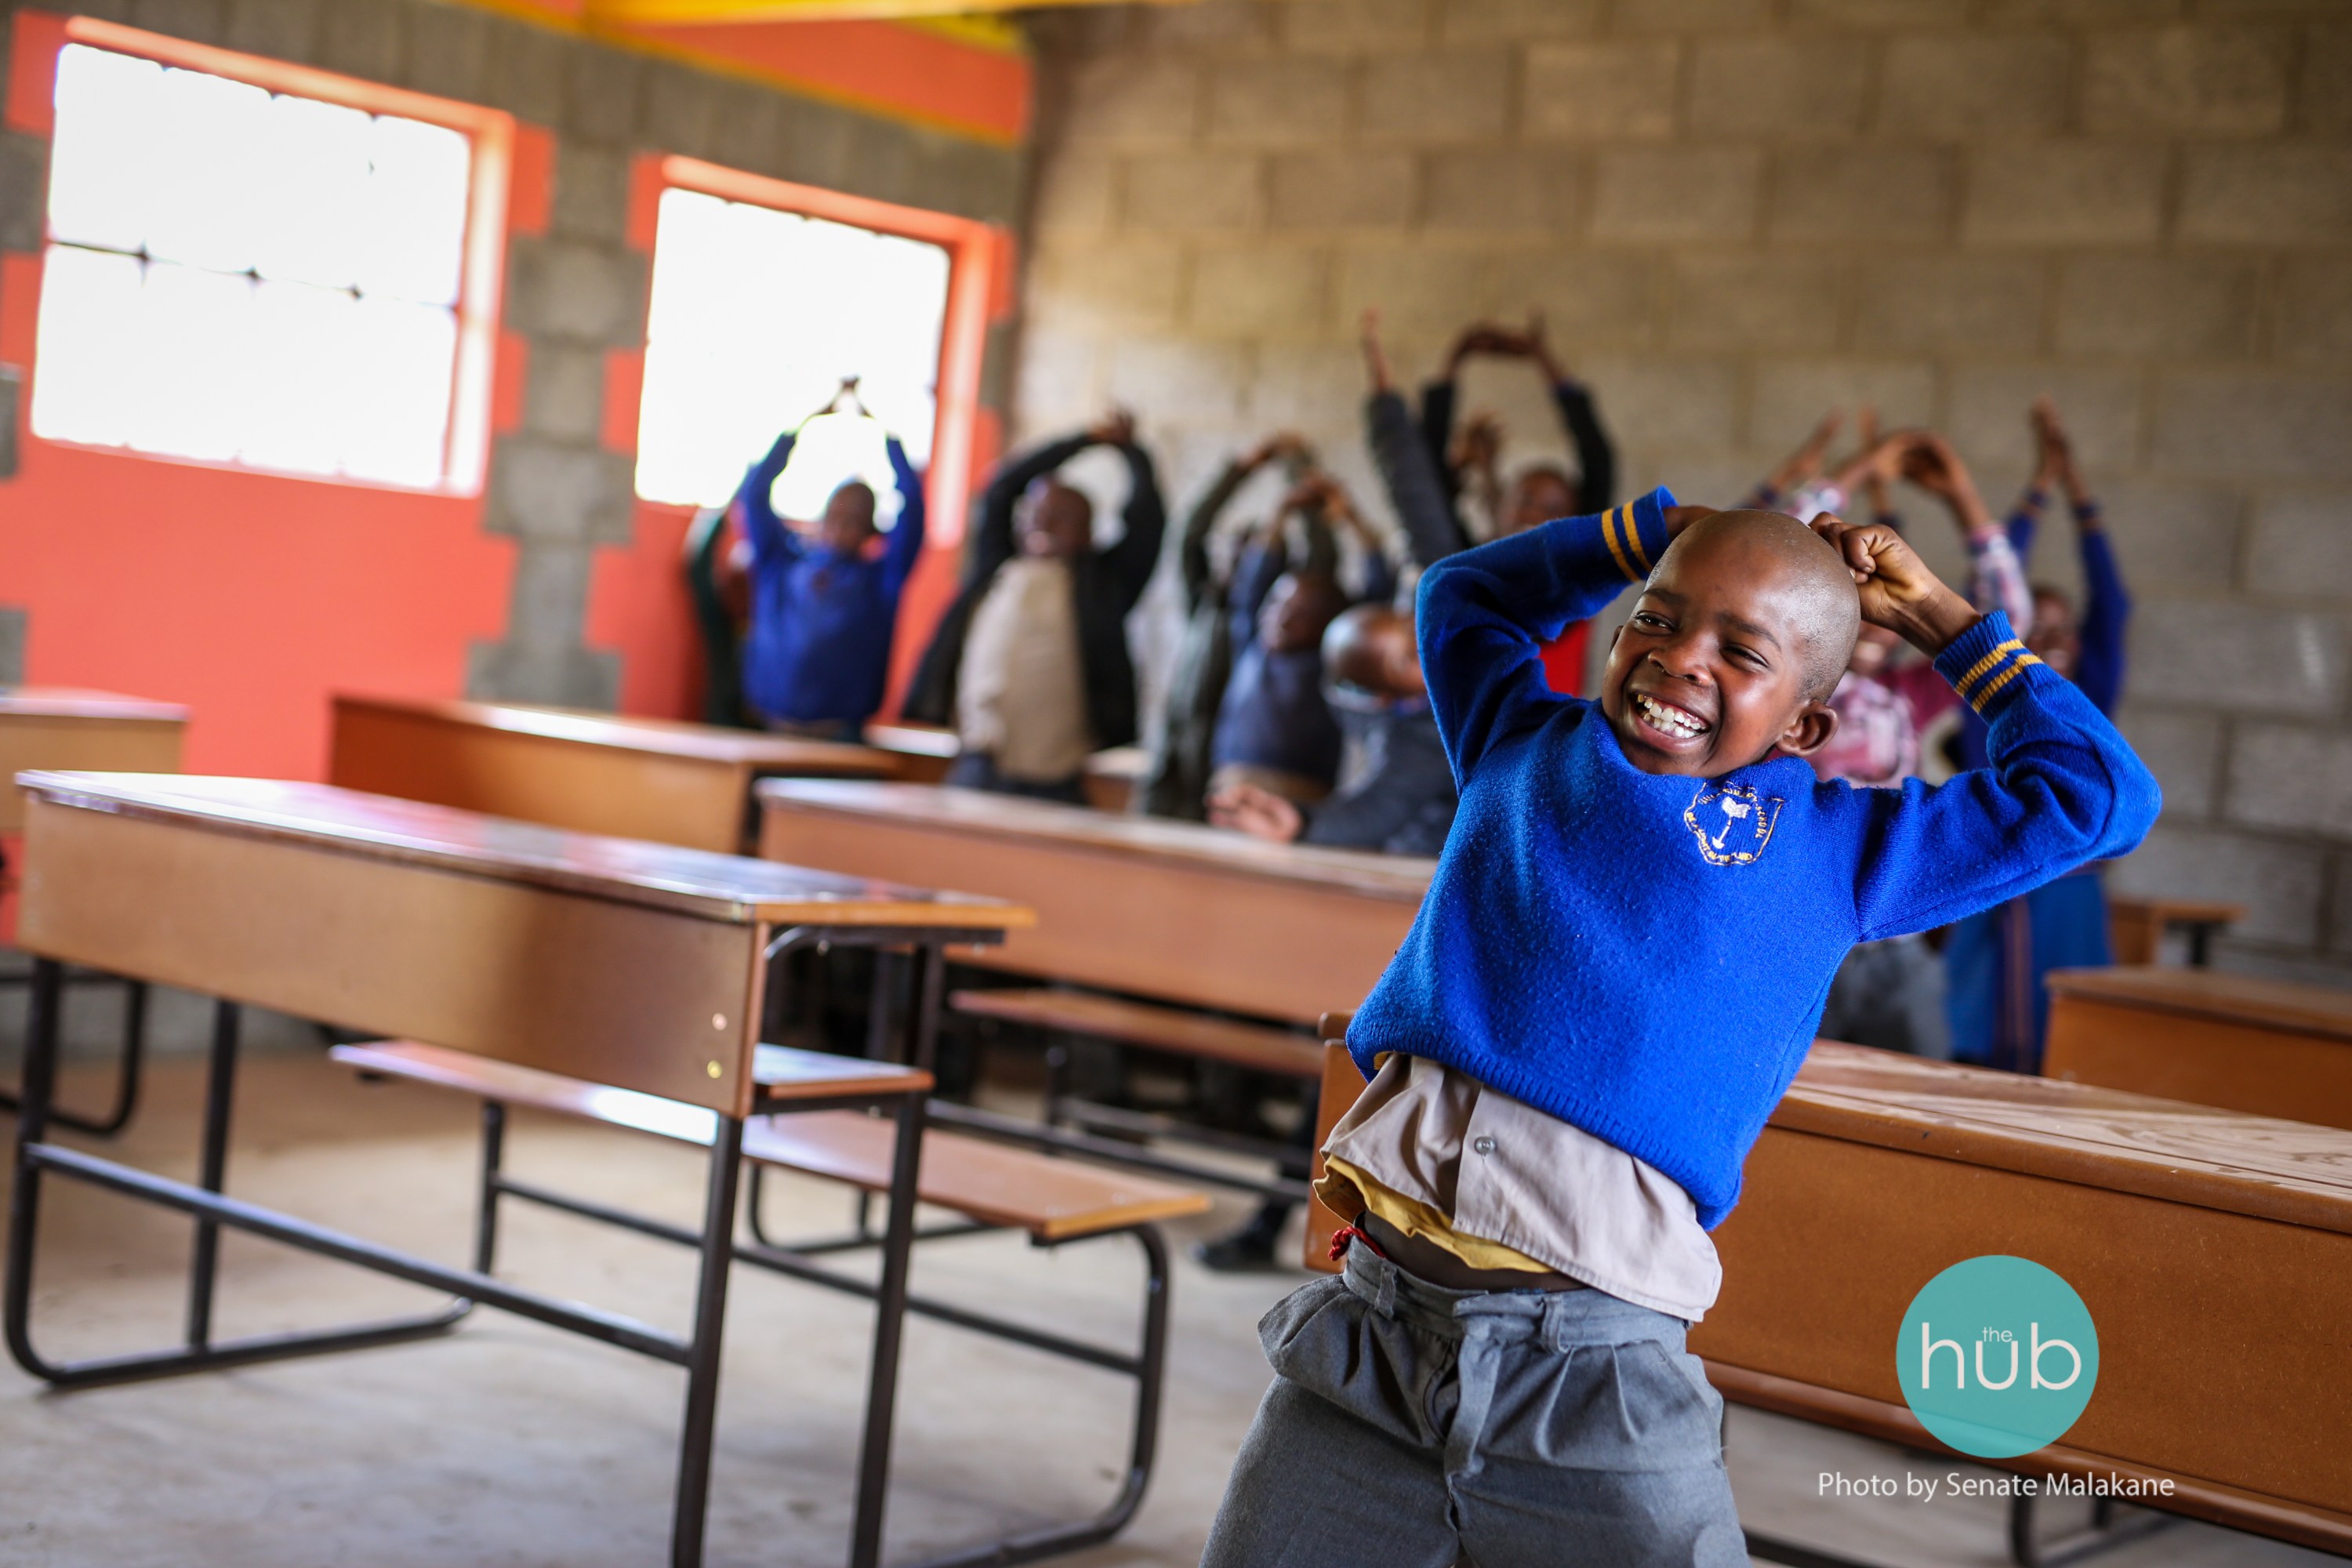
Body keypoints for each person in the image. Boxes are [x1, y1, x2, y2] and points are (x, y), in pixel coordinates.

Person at [1199, 490, 2158, 1567]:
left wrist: (1941, 616)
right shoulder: (1517, 741)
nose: (1681, 657)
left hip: (1594, 1378)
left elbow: (2099, 794)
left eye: (1742, 651)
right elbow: (1463, 595)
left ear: (1803, 726)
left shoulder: (1837, 850)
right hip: (1370, 1340)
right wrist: (1642, 533)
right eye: (1656, 618)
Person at [1938, 401, 2134, 1071]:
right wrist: (2036, 491)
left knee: (2071, 1052)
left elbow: (2114, 604)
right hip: (2001, 878)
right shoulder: (1989, 697)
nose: (2053, 638)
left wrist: (2079, 492)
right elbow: (1994, 595)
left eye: (2063, 629)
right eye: (2036, 627)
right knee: (1985, 1051)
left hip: (2074, 893)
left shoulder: (2090, 700)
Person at [902, 411, 1164, 802]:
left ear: (1089, 532)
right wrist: (1085, 439)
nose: (1044, 524)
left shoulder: (1102, 586)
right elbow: (1003, 487)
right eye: (1036, 513)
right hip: (978, 764)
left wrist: (1131, 452)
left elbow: (1147, 524)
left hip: (1052, 775)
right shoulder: (997, 565)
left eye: (1062, 518)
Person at [1363, 310, 1613, 693]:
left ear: (1576, 522)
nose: (1535, 514)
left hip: (1547, 729)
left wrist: (1544, 360)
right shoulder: (1468, 570)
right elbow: (1429, 492)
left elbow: (1599, 460)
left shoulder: (1574, 585)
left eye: (1553, 510)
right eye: (1525, 499)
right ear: (1502, 506)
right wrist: (1452, 365)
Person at [731, 387, 927, 739]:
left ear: (870, 531)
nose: (840, 527)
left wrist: (887, 435)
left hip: (841, 733)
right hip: (771, 726)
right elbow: (755, 494)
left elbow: (913, 510)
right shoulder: (782, 563)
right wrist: (802, 426)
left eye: (853, 520)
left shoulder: (880, 579)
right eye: (835, 515)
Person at [1138, 433, 1314, 820]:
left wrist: (1298, 478)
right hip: (1176, 751)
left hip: (1229, 762)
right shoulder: (1206, 600)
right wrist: (1240, 469)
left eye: (1251, 555)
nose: (1236, 562)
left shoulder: (1269, 628)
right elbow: (1190, 532)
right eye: (1234, 551)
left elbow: (1320, 557)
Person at [1208, 602, 1458, 858]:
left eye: (1410, 628)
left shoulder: (1458, 624)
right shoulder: (1416, 742)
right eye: (1406, 660)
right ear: (1386, 697)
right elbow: (1378, 808)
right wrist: (1300, 823)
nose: (1424, 648)